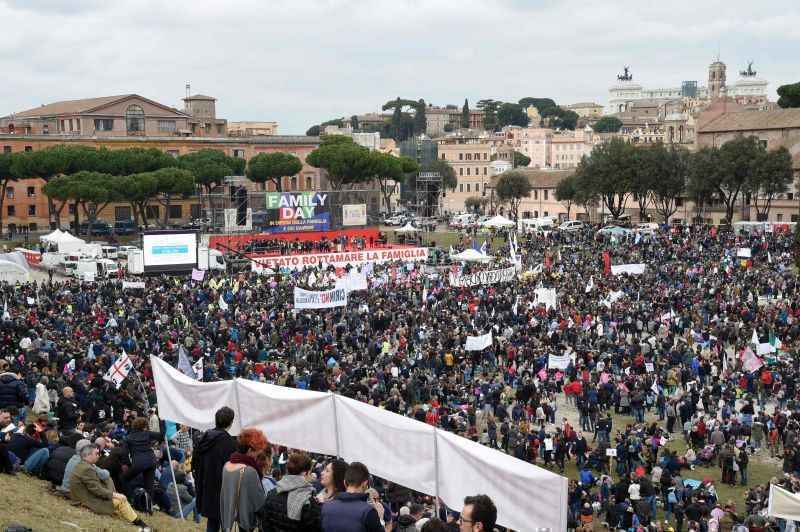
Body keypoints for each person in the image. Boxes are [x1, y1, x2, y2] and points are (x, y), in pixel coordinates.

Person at [68, 443, 148, 528]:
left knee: (116, 496)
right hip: (85, 502)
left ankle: (134, 519)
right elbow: (97, 490)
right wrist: (115, 494)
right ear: (88, 455)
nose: (98, 456)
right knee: (121, 501)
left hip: (82, 497)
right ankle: (140, 523)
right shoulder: (87, 469)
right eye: (96, 453)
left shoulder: (84, 465)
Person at [194, 406, 238, 532]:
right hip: (221, 489)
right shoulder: (229, 443)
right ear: (230, 422)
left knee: (212, 522)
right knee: (224, 524)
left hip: (206, 485)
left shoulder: (205, 437)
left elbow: (195, 461)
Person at [220, 427, 269, 532]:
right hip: (244, 522)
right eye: (258, 451)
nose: (258, 455)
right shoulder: (250, 471)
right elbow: (259, 504)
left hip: (228, 521)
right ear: (250, 450)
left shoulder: (227, 465)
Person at [259, 451, 322, 531]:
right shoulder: (309, 501)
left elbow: (265, 524)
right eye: (310, 473)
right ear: (305, 473)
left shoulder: (272, 493)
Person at [321, 461, 384, 532]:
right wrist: (381, 519)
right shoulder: (368, 512)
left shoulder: (326, 507)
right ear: (365, 483)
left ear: (345, 482)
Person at [121, 416, 162, 501]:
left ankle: (130, 499)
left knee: (124, 478)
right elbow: (161, 435)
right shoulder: (147, 434)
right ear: (144, 426)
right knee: (149, 485)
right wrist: (162, 422)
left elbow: (124, 453)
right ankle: (149, 507)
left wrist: (128, 464)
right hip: (151, 461)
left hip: (138, 463)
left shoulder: (128, 438)